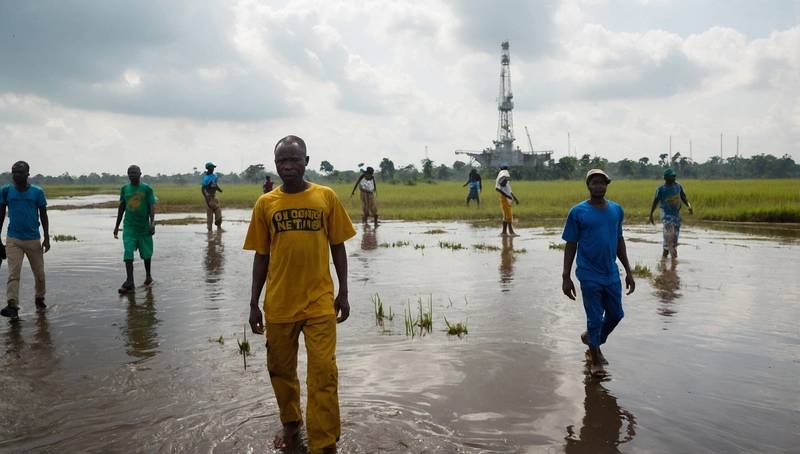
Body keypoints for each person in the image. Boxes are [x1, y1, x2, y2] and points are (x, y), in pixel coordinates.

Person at [244, 135, 355, 453]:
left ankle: (323, 442)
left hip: (320, 302)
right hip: (278, 303)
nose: (288, 166)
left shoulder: (326, 197)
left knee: (323, 372)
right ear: (275, 164)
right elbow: (261, 255)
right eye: (282, 160)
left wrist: (343, 292)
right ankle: (291, 423)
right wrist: (253, 302)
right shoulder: (266, 203)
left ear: (306, 161)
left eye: (294, 159)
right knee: (280, 368)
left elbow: (338, 245)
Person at [561, 169, 635, 377]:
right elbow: (571, 245)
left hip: (611, 272)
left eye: (602, 183)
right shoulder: (577, 212)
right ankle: (595, 360)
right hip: (588, 273)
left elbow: (619, 240)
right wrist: (566, 277)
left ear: (607, 185)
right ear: (588, 185)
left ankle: (592, 339)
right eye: (594, 182)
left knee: (616, 314)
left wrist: (628, 271)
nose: (598, 186)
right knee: (594, 319)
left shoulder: (616, 210)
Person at [0, 161, 50, 320]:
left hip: (33, 239)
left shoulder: (37, 192)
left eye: (20, 172)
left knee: (39, 274)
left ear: (28, 174)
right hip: (13, 238)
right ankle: (12, 304)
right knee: (13, 273)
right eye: (14, 172)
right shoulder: (6, 191)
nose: (16, 175)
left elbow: (43, 215)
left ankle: (39, 298)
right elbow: (1, 215)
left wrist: (47, 237)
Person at [113, 165, 156, 294]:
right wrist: (116, 226)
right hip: (129, 226)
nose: (132, 175)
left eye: (134, 172)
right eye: (130, 173)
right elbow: (121, 208)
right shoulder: (124, 189)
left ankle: (148, 275)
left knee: (146, 253)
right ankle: (130, 281)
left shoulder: (147, 189)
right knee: (128, 251)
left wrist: (152, 222)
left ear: (140, 174)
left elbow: (151, 206)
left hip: (143, 226)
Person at [648, 168, 692, 258]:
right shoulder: (661, 189)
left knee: (674, 237)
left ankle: (666, 255)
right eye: (672, 176)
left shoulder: (678, 186)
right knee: (669, 236)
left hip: (676, 215)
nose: (674, 177)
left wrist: (689, 206)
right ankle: (670, 258)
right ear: (666, 178)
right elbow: (655, 202)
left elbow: (683, 197)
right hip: (666, 215)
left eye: (675, 176)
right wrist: (651, 214)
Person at [495, 164, 519, 236]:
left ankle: (504, 232)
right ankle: (511, 232)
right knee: (508, 216)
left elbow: (510, 191)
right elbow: (497, 189)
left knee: (506, 216)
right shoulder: (501, 180)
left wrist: (515, 198)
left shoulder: (507, 182)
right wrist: (506, 196)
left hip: (508, 199)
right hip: (504, 199)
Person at [201, 162, 223, 231]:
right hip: (209, 198)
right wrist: (206, 196)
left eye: (213, 167)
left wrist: (219, 190)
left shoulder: (215, 176)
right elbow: (203, 189)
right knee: (211, 214)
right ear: (208, 168)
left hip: (214, 196)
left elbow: (215, 185)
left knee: (216, 212)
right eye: (212, 167)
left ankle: (217, 228)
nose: (213, 168)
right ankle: (211, 229)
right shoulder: (206, 178)